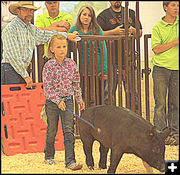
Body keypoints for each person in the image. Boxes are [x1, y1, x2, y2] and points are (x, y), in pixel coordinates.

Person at [1, 1, 78, 88]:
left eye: (31, 11)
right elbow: (13, 56)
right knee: (11, 100)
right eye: (26, 10)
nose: (29, 13)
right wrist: (25, 75)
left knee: (19, 100)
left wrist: (67, 35)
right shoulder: (10, 29)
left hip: (19, 69)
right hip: (11, 70)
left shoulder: (30, 28)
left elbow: (45, 35)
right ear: (18, 11)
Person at [42, 34, 85, 169]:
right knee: (52, 130)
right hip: (52, 103)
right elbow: (47, 87)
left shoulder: (72, 64)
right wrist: (57, 100)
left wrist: (79, 99)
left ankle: (70, 161)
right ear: (52, 49)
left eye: (64, 46)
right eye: (59, 47)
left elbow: (76, 83)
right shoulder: (48, 66)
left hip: (68, 101)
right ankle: (49, 155)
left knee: (68, 130)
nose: (62, 50)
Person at [97, 1, 143, 109]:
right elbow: (97, 34)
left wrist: (132, 30)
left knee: (133, 93)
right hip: (110, 60)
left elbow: (140, 32)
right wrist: (114, 32)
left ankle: (133, 118)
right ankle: (111, 119)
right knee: (109, 93)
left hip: (129, 60)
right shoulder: (103, 16)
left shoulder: (131, 13)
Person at [151, 1, 179, 145]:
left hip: (177, 68)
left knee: (175, 103)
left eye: (178, 5)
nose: (176, 8)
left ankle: (175, 135)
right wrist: (176, 42)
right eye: (173, 5)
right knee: (160, 104)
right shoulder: (158, 27)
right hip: (161, 68)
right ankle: (161, 135)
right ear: (165, 7)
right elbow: (156, 49)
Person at [69, 5, 109, 106]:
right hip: (83, 69)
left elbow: (103, 50)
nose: (86, 17)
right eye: (84, 14)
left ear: (92, 18)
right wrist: (72, 37)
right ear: (80, 16)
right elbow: (69, 49)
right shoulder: (74, 29)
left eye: (89, 15)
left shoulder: (97, 30)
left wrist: (104, 70)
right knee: (85, 97)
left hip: (98, 69)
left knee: (99, 98)